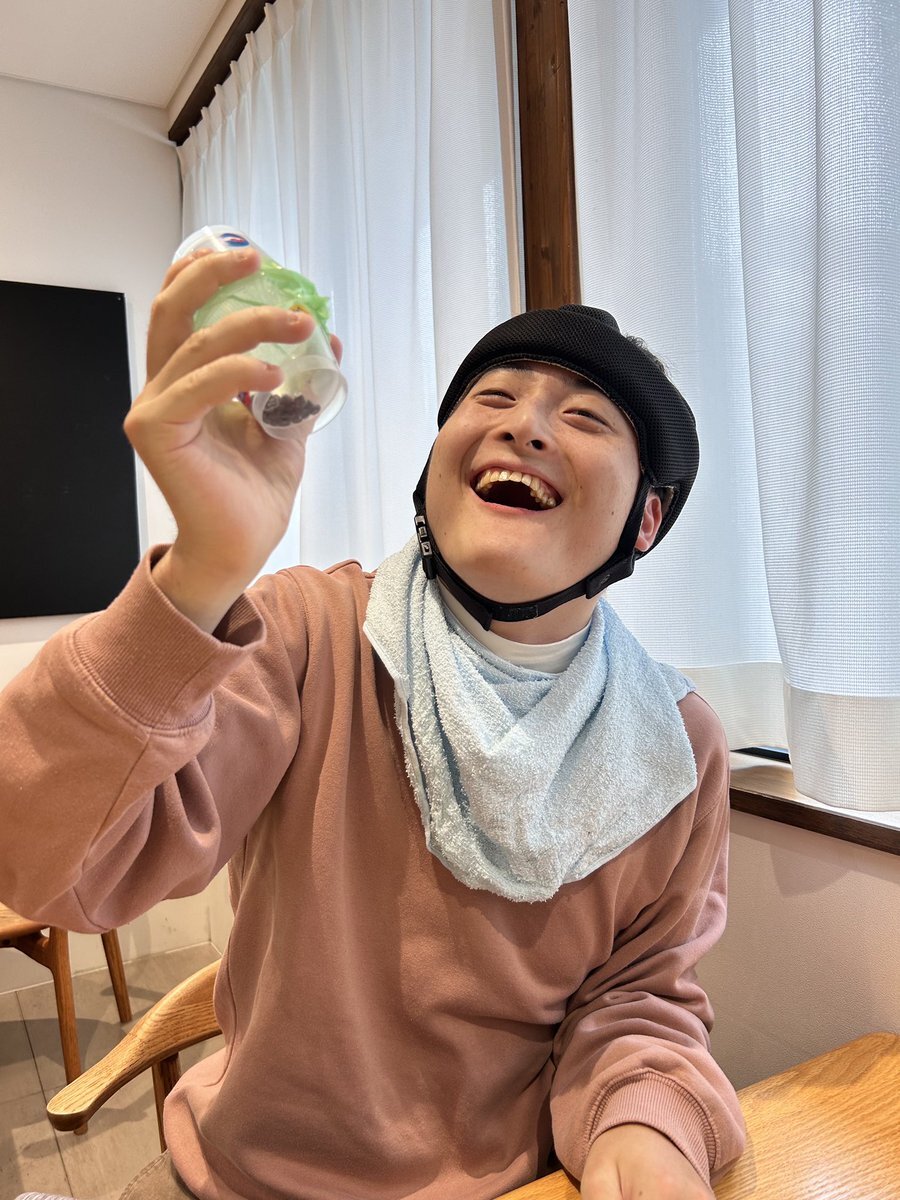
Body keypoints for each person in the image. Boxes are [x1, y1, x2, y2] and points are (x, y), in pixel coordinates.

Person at [0, 246, 745, 1200]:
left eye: (586, 417)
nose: (523, 425)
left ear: (645, 521)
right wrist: (200, 573)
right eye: (491, 398)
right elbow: (48, 864)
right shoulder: (308, 637)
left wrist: (646, 1130)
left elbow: (639, 998)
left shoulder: (673, 745)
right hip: (240, 1180)